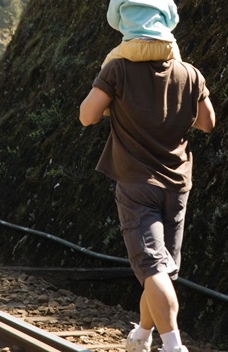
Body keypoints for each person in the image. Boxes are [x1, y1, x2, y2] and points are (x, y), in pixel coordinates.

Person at [79, 57, 215, 352]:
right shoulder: (190, 73)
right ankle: (140, 335)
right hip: (178, 185)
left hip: (137, 184)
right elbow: (207, 122)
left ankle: (173, 346)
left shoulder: (118, 68)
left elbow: (87, 116)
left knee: (153, 268)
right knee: (161, 271)